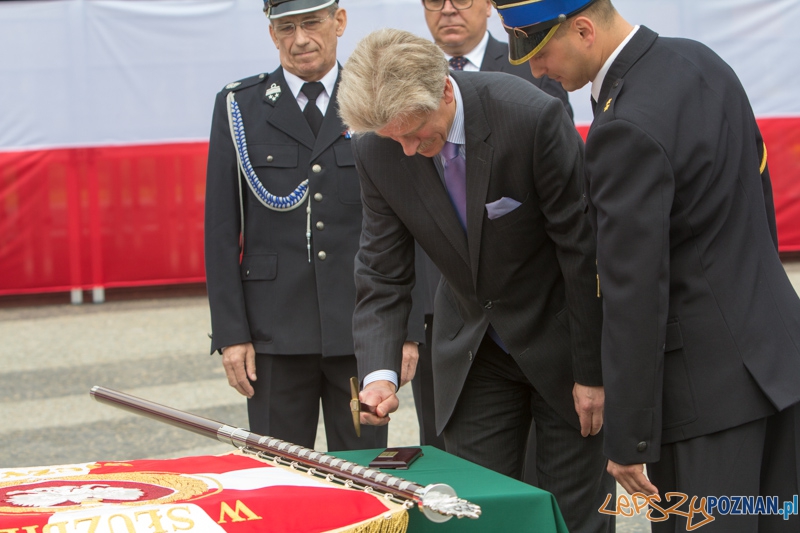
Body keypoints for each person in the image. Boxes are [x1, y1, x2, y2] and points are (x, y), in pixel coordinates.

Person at [495, 0, 800, 530]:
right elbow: (757, 200)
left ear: (584, 29)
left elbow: (632, 291)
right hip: (775, 362)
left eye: (541, 52)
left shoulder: (624, 127)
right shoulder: (701, 62)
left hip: (704, 400)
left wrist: (629, 436)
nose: (536, 69)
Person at [338, 28, 615, 532]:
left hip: (560, 343)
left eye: (417, 133)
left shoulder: (530, 117)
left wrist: (592, 372)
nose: (405, 151)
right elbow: (382, 265)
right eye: (392, 138)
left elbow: (582, 252)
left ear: (445, 91)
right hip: (473, 351)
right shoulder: (378, 149)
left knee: (574, 514)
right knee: (477, 514)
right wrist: (378, 374)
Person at [204, 0, 422, 453]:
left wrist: (407, 329)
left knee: (364, 474)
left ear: (338, 22)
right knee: (278, 477)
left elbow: (412, 221)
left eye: (311, 23)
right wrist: (232, 334)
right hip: (273, 335)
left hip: (361, 330)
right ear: (271, 34)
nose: (299, 39)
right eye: (286, 27)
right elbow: (221, 228)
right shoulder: (239, 106)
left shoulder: (373, 100)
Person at [412, 0, 574, 454]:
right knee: (461, 475)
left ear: (488, 5)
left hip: (539, 325)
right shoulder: (401, 89)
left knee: (545, 474)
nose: (447, 10)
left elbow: (567, 210)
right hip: (452, 323)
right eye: (433, 1)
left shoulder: (534, 69)